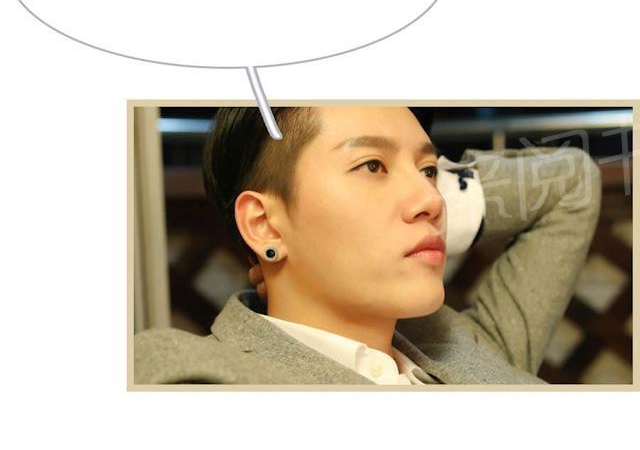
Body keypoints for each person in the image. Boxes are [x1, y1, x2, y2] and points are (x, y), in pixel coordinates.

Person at [134, 105, 602, 386]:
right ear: (263, 224)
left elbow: (572, 181)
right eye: (372, 165)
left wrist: (426, 208)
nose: (432, 200)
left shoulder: (463, 347)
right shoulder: (190, 373)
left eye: (429, 171)